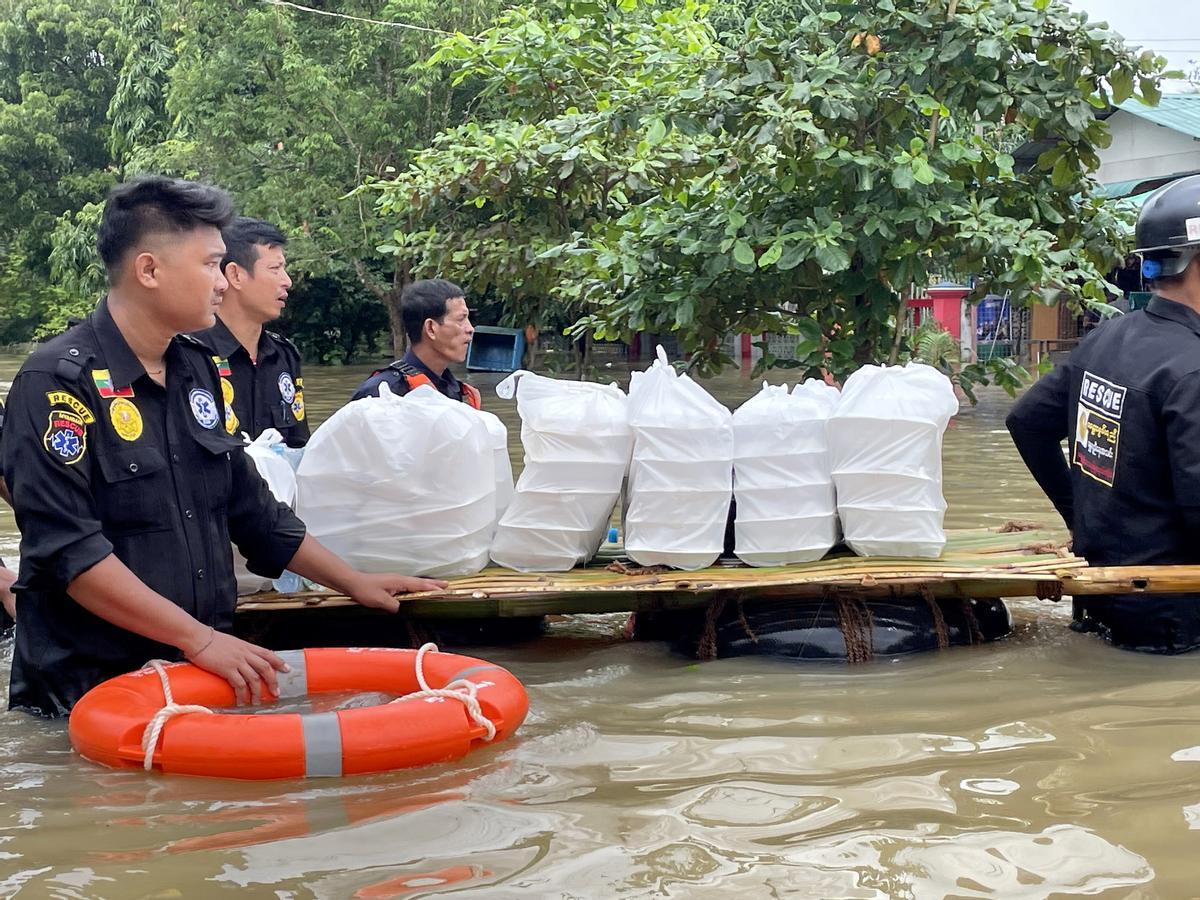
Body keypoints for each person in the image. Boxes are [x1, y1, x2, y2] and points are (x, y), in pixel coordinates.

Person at [0, 176, 445, 717]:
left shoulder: (196, 370)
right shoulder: (56, 382)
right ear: (149, 270)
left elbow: (251, 508)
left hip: (198, 678)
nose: (221, 282)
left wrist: (355, 582)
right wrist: (201, 640)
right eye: (210, 264)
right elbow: (68, 551)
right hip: (89, 693)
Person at [1006, 173, 1200, 653]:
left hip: (1098, 590)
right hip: (1172, 613)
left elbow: (1025, 421)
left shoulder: (1107, 337)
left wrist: (1080, 518)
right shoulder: (1191, 371)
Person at [192, 217, 308, 447]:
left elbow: (299, 448)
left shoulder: (283, 357)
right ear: (235, 275)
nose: (287, 281)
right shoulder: (189, 356)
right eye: (275, 269)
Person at [350, 279, 480, 407]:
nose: (470, 329)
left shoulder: (453, 390)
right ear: (430, 328)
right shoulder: (381, 393)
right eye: (461, 319)